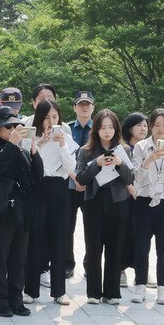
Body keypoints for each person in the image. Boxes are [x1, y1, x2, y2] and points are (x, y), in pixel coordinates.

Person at [0, 106, 42, 317]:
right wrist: (13, 145)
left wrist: (35, 153)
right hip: (2, 211)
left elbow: (37, 177)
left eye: (17, 125)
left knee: (19, 257)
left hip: (22, 211)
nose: (14, 129)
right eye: (8, 126)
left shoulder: (22, 150)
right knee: (1, 257)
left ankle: (16, 297)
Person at [75, 110, 134, 304]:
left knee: (115, 247)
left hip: (118, 202)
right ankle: (93, 292)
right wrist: (96, 163)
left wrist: (119, 164)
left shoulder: (123, 150)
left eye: (110, 127)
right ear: (96, 129)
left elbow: (129, 179)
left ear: (116, 128)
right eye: (102, 127)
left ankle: (112, 292)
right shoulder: (85, 150)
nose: (107, 131)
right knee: (93, 247)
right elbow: (81, 179)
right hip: (93, 202)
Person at [129, 108, 164, 305]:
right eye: (156, 124)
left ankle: (163, 287)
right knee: (141, 245)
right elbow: (137, 177)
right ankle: (140, 285)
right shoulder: (140, 147)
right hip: (144, 201)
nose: (160, 129)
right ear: (151, 125)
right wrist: (150, 159)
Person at [25, 98, 76, 306]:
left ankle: (59, 291)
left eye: (55, 117)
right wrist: (43, 142)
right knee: (35, 240)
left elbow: (72, 167)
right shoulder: (31, 136)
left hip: (59, 189)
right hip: (37, 188)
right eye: (47, 117)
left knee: (59, 240)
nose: (51, 121)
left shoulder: (66, 136)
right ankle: (30, 290)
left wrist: (62, 145)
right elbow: (28, 162)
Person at [64, 90, 96, 278]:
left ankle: (90, 265)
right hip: (68, 184)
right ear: (75, 107)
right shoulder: (67, 128)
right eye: (81, 104)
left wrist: (85, 180)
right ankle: (67, 264)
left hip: (90, 186)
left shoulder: (99, 128)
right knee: (67, 227)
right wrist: (75, 179)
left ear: (93, 107)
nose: (84, 107)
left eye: (88, 104)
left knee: (91, 228)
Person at [120, 112, 148, 288]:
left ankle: (142, 271)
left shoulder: (149, 148)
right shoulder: (123, 148)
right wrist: (130, 188)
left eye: (145, 125)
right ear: (130, 128)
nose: (143, 128)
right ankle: (120, 269)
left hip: (144, 197)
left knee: (142, 236)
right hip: (125, 197)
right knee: (125, 234)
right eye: (139, 125)